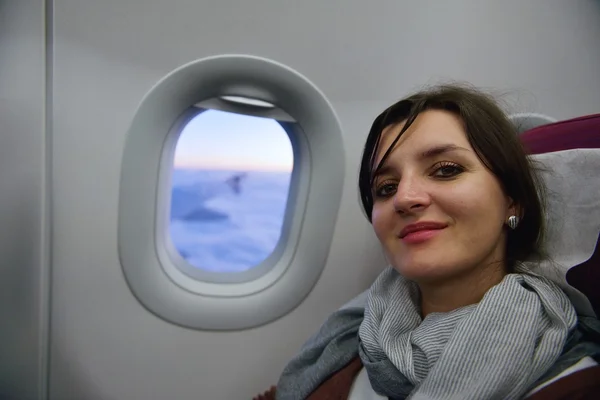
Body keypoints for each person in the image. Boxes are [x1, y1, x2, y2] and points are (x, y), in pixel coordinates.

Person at [269, 84, 600, 400]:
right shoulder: (351, 334)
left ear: (512, 201)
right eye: (386, 187)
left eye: (445, 170)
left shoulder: (573, 385)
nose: (404, 198)